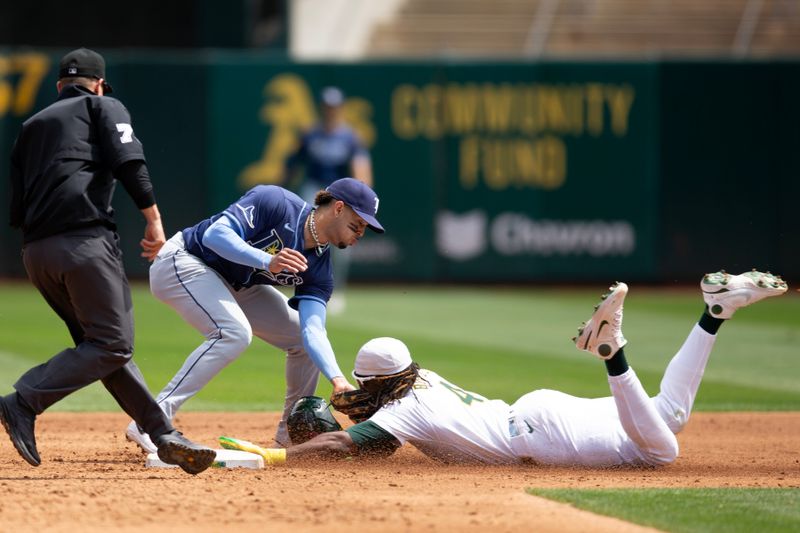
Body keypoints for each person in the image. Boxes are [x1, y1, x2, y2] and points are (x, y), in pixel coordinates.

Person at [239, 269, 787, 467]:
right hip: (540, 412)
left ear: (383, 384)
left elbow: (343, 445)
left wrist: (283, 453)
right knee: (667, 414)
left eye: (368, 386)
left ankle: (611, 349)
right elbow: (375, 439)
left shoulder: (405, 412)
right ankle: (715, 311)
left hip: (544, 433)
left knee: (662, 449)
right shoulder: (420, 383)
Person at [1, 48, 216, 474]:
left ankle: (163, 433)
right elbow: (129, 162)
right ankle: (24, 400)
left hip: (37, 253)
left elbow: (17, 208)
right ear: (97, 83)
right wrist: (154, 221)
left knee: (102, 346)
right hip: (83, 243)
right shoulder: (104, 105)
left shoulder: (31, 125)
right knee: (113, 343)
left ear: (59, 85)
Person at [124, 177, 385, 454]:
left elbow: (313, 331)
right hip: (185, 259)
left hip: (236, 284)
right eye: (358, 224)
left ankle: (289, 435)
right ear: (338, 208)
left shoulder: (319, 268)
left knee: (299, 336)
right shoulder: (276, 202)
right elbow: (215, 235)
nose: (360, 233)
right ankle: (149, 422)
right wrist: (266, 261)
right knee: (234, 333)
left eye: (365, 228)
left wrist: (337, 380)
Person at [284, 86, 373, 314]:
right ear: (322, 107)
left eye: (334, 107)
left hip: (339, 193)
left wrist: (361, 197)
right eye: (327, 106)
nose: (330, 110)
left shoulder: (350, 137)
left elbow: (361, 168)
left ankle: (336, 289)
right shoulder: (310, 134)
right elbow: (292, 164)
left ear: (340, 108)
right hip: (313, 189)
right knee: (301, 231)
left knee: (342, 241)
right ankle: (298, 282)